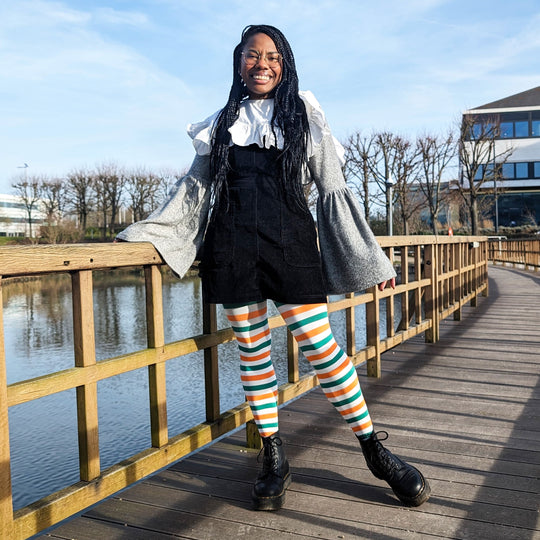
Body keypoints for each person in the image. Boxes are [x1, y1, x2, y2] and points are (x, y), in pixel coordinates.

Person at [116, 24, 430, 511]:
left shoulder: (305, 113)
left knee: (324, 351)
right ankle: (274, 456)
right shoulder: (221, 122)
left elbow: (333, 189)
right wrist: (150, 231)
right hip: (233, 244)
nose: (261, 63)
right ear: (238, 63)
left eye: (272, 55)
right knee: (253, 354)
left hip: (292, 243)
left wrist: (369, 257)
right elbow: (196, 191)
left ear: (284, 63)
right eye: (251, 55)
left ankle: (374, 450)